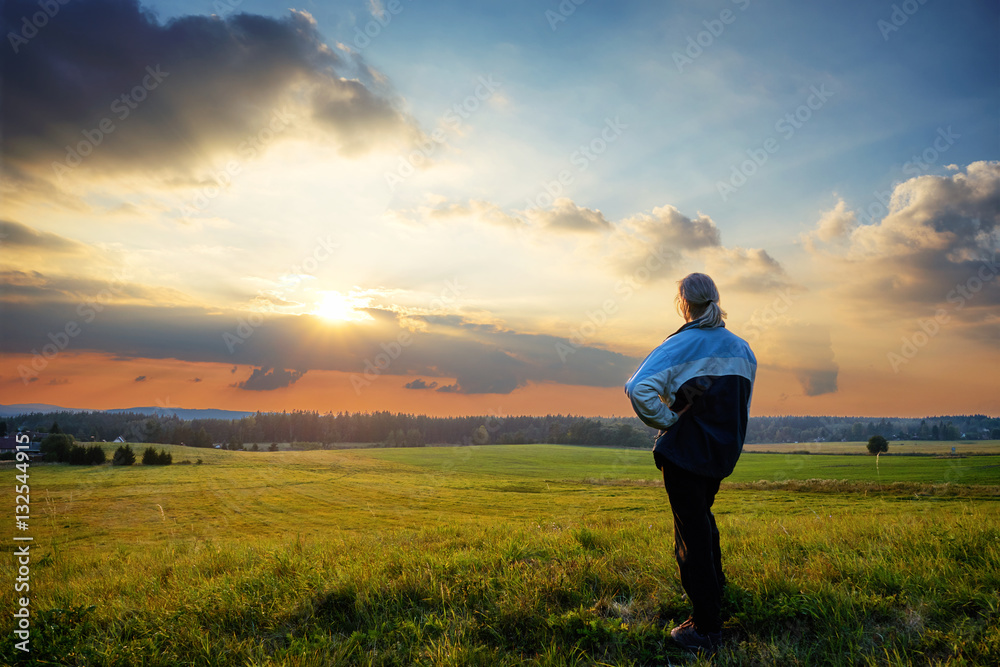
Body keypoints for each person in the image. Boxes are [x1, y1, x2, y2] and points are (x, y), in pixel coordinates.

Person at [623, 272, 756, 653]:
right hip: (720, 454)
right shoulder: (742, 348)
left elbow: (637, 387)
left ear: (684, 303)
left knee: (691, 537)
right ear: (716, 298)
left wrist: (666, 421)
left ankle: (706, 628)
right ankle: (718, 595)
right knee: (703, 523)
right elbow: (739, 407)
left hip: (684, 454)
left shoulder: (682, 343)